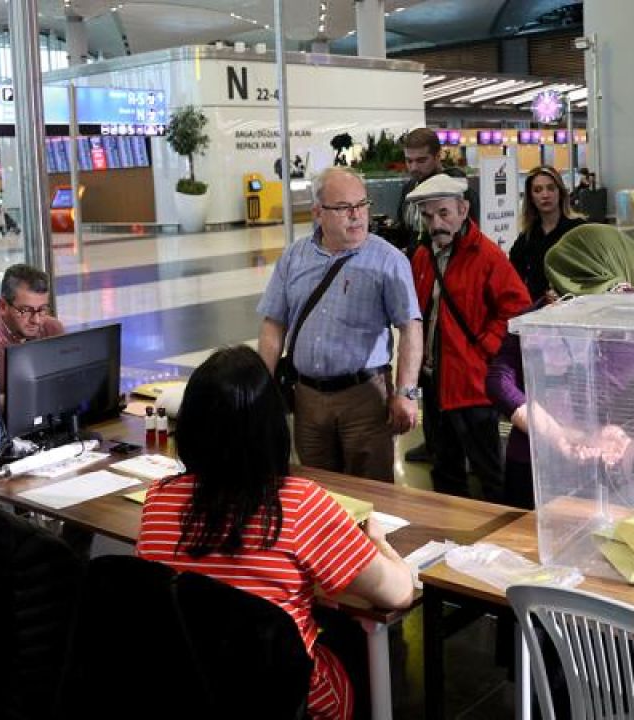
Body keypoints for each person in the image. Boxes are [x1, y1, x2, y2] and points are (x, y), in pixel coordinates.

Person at [137, 346, 414, 720]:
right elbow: (398, 592)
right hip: (284, 698)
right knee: (355, 640)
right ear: (272, 425)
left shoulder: (158, 499)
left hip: (186, 688)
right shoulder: (300, 505)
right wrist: (376, 541)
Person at [257, 167, 422, 483]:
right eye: (344, 208)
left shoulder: (387, 260)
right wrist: (262, 386)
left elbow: (410, 326)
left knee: (371, 493)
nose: (357, 215)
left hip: (364, 398)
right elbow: (273, 323)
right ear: (318, 212)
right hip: (306, 397)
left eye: (362, 205)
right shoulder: (294, 257)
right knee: (316, 490)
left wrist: (405, 392)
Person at [487, 224, 634, 509]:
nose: (557, 297)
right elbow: (499, 379)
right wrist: (558, 435)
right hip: (539, 465)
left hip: (603, 469)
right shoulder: (537, 317)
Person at [407, 174, 530, 502]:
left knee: (489, 470)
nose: (436, 223)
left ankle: (501, 539)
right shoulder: (423, 256)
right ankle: (451, 536)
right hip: (434, 384)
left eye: (444, 213)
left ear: (463, 210)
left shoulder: (487, 256)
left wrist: (485, 349)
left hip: (471, 386)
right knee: (444, 468)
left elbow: (517, 309)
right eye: (428, 215)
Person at [397, 128, 476, 464]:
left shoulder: (454, 188)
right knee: (424, 362)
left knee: (448, 361)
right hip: (419, 279)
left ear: (438, 155)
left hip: (450, 283)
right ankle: (434, 442)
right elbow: (405, 232)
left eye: (421, 160)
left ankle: (458, 445)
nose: (414, 167)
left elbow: (468, 234)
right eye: (409, 160)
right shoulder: (407, 191)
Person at [0, 263, 65, 388]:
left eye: (42, 309)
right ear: (2, 306)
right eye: (25, 310)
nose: (36, 320)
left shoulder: (52, 329)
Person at [507, 166, 585, 303]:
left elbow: (591, 274)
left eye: (550, 188)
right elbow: (512, 277)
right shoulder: (527, 237)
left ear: (560, 192)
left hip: (574, 307)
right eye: (538, 190)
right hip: (537, 311)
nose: (545, 195)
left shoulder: (578, 229)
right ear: (531, 197)